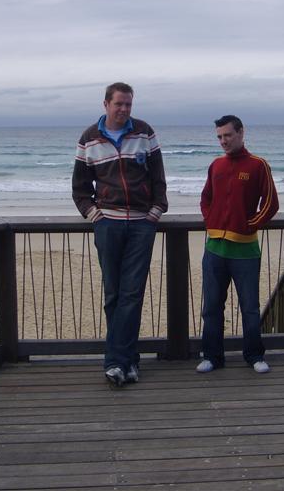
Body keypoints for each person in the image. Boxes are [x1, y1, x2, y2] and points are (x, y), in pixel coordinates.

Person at [72, 82, 168, 387]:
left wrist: (156, 210)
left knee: (132, 294)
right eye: (119, 104)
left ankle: (117, 362)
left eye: (128, 104)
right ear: (106, 104)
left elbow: (158, 176)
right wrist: (93, 215)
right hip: (108, 225)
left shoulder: (144, 132)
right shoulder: (89, 138)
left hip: (141, 224)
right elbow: (79, 188)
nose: (124, 110)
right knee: (113, 294)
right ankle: (127, 362)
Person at [196, 115, 279, 375]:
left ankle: (254, 356)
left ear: (241, 133)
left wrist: (248, 225)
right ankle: (212, 356)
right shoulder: (216, 165)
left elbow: (270, 203)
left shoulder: (258, 165)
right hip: (214, 250)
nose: (223, 141)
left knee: (250, 308)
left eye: (227, 135)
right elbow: (206, 198)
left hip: (245, 251)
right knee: (211, 308)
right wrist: (211, 221)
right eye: (219, 137)